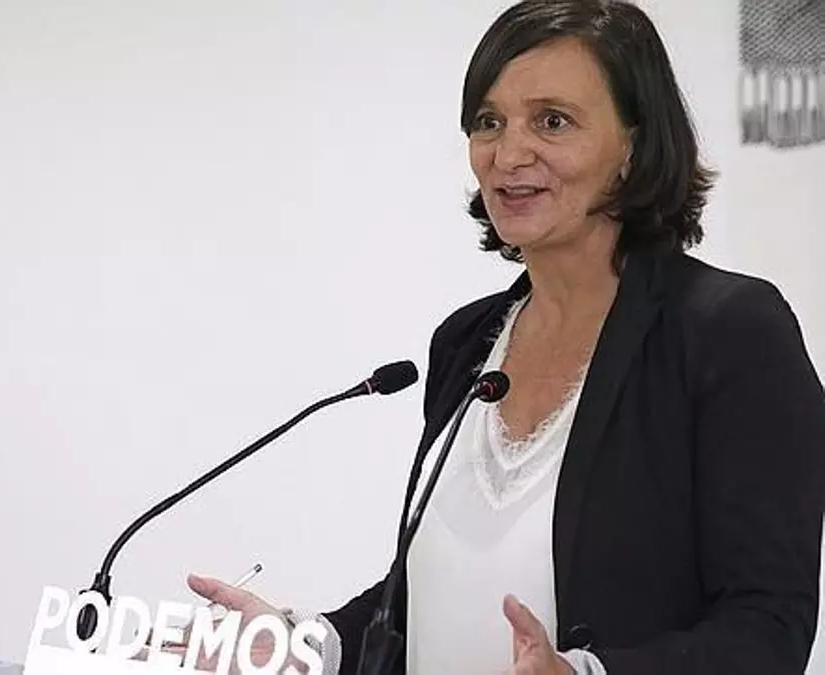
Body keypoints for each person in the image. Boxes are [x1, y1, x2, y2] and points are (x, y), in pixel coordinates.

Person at [179, 1, 825, 674]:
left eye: (553, 121)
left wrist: (585, 673)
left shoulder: (727, 332)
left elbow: (767, 627)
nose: (509, 154)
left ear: (633, 146)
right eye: (489, 122)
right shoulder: (465, 341)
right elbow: (429, 595)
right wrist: (304, 646)